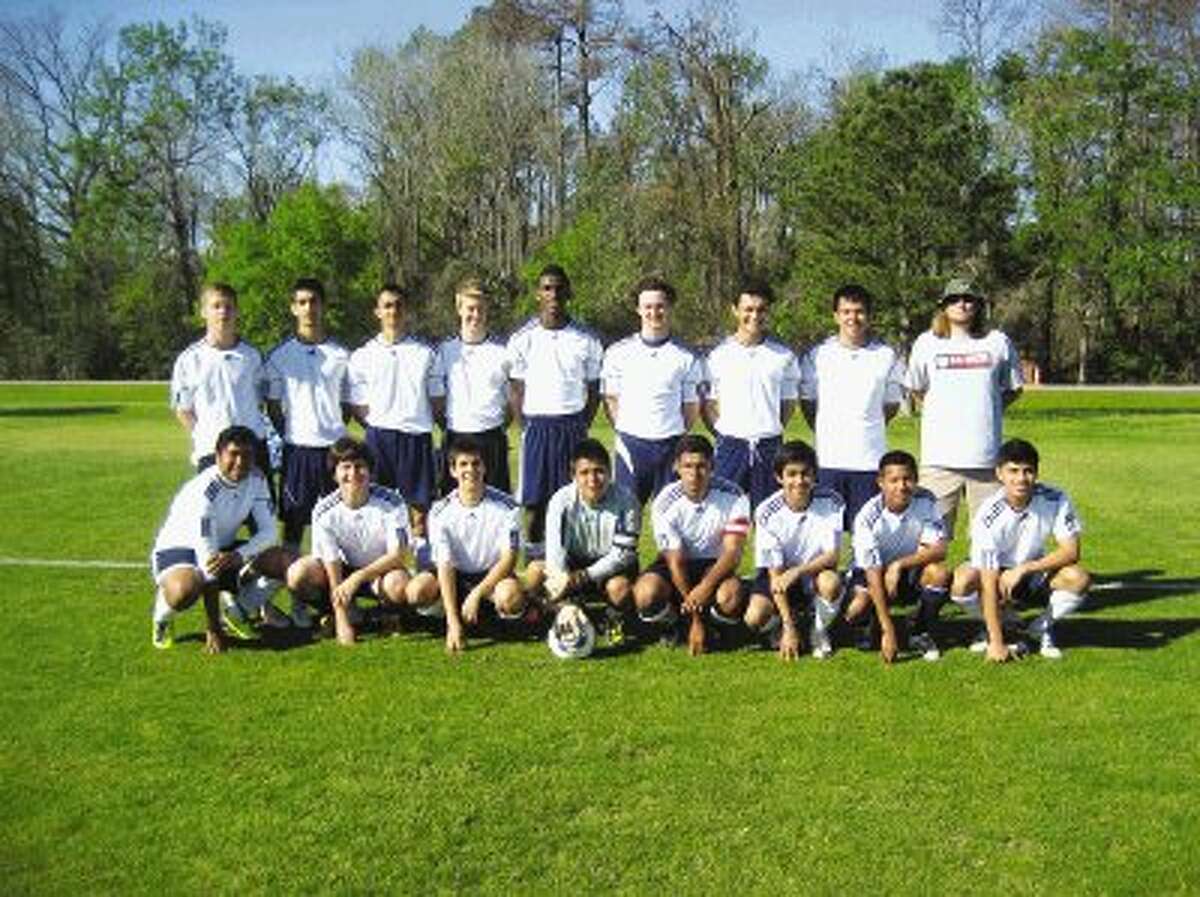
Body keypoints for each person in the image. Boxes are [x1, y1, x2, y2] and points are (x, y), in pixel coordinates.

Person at [149, 426, 294, 653]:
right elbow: (209, 564)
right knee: (184, 591)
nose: (240, 462)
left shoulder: (257, 479)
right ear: (218, 456)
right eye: (233, 454)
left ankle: (237, 613)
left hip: (223, 547)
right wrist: (213, 629)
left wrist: (239, 555)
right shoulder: (204, 492)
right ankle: (162, 616)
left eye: (246, 455)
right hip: (179, 549)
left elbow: (269, 532)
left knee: (286, 561)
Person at [949, 438, 1090, 662]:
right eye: (1013, 471)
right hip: (994, 572)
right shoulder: (988, 514)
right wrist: (997, 644)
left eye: (1028, 471)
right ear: (999, 474)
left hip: (1031, 571)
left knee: (1078, 578)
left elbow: (1071, 551)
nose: (1021, 479)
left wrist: (1024, 568)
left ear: (1037, 472)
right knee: (961, 582)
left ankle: (1038, 629)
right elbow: (987, 579)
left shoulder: (1056, 498)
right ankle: (996, 628)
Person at [285, 437, 436, 644]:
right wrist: (341, 619)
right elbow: (330, 561)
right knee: (298, 574)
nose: (353, 474)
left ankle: (387, 614)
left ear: (370, 471)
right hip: (343, 572)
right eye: (345, 467)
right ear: (334, 474)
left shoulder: (392, 502)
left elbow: (399, 555)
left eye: (360, 466)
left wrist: (359, 577)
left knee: (398, 584)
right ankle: (340, 612)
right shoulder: (323, 510)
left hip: (382, 571)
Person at [906, 277, 1023, 536]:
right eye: (954, 299)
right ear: (944, 307)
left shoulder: (997, 341)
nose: (962, 304)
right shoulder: (926, 343)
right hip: (939, 461)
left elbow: (1014, 388)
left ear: (979, 305)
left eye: (968, 299)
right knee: (931, 541)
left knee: (990, 541)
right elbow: (916, 388)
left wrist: (989, 409)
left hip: (986, 462)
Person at [506, 265, 603, 558]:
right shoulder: (522, 339)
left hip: (572, 427)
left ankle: (572, 571)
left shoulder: (586, 339)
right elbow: (516, 388)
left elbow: (594, 389)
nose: (554, 294)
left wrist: (581, 423)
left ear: (569, 292)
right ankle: (535, 568)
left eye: (559, 288)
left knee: (576, 502)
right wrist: (525, 425)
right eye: (547, 288)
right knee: (534, 504)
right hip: (537, 428)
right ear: (538, 294)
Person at [799, 283, 906, 528]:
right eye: (846, 311)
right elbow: (808, 402)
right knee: (826, 534)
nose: (852, 318)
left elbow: (890, 405)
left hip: (869, 460)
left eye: (859, 311)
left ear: (869, 316)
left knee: (866, 532)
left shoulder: (886, 356)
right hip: (829, 460)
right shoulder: (818, 356)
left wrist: (868, 424)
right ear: (835, 315)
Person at [633, 434, 751, 657]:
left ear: (712, 466)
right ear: (676, 466)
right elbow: (675, 561)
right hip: (678, 564)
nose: (694, 474)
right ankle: (677, 624)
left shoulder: (735, 496)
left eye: (701, 466)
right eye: (687, 466)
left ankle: (715, 627)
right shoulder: (664, 501)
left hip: (715, 565)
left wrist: (705, 587)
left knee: (731, 596)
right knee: (645, 593)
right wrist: (693, 619)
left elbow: (733, 552)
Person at [407, 438, 527, 654]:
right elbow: (444, 565)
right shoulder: (439, 511)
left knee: (511, 597)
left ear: (484, 467)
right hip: (456, 575)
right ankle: (448, 615)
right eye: (463, 464)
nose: (470, 469)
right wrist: (453, 624)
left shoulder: (508, 507)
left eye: (476, 463)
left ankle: (493, 616)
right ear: (453, 470)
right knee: (416, 591)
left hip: (491, 576)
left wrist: (478, 593)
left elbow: (509, 558)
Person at [265, 278, 354, 563]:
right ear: (293, 308)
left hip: (334, 452)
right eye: (302, 302)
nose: (308, 308)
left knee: (336, 524)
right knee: (293, 527)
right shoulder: (279, 356)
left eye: (314, 301)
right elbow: (274, 406)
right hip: (298, 452)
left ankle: (334, 597)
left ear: (323, 306)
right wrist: (291, 432)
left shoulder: (342, 355)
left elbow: (347, 403)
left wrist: (334, 429)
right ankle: (298, 604)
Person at [349, 283, 445, 537]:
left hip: (416, 438)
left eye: (398, 305)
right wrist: (377, 426)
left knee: (420, 515)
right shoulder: (362, 355)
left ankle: (421, 570)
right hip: (379, 438)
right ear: (377, 312)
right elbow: (358, 406)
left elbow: (437, 402)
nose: (393, 311)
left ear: (407, 311)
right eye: (387, 306)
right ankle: (380, 571)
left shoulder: (426, 353)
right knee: (377, 511)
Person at [601, 276, 704, 506]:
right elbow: (611, 400)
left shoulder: (686, 356)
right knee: (626, 516)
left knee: (670, 517)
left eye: (660, 306)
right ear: (638, 309)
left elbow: (691, 408)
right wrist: (630, 430)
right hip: (631, 445)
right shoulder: (618, 353)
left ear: (669, 308)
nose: (654, 312)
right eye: (648, 306)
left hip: (671, 447)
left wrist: (670, 432)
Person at [525, 439, 641, 643]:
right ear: (573, 476)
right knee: (535, 571)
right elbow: (555, 551)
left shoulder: (628, 501)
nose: (593, 479)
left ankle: (613, 621)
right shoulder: (560, 501)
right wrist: (562, 586)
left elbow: (622, 555)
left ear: (610, 472)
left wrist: (580, 578)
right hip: (574, 561)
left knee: (619, 588)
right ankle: (548, 616)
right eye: (584, 472)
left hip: (612, 565)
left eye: (599, 471)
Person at [701, 278, 800, 509]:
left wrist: (767, 427)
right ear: (735, 310)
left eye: (761, 310)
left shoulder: (783, 356)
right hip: (730, 447)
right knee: (722, 517)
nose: (755, 316)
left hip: (770, 447)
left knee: (769, 518)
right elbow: (709, 405)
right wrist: (727, 433)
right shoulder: (717, 356)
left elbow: (787, 404)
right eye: (748, 309)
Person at [846, 450, 950, 664]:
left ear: (916, 480)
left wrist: (898, 565)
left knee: (938, 574)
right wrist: (889, 630)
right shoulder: (867, 517)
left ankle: (920, 630)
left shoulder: (926, 499)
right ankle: (868, 624)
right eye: (893, 480)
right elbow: (872, 573)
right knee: (856, 608)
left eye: (907, 479)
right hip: (871, 571)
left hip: (905, 568)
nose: (902, 486)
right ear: (880, 482)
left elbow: (940, 549)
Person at [745, 440, 844, 661]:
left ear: (815, 475)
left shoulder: (832, 501)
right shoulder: (765, 512)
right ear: (779, 477)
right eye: (791, 474)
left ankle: (818, 630)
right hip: (779, 575)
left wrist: (798, 571)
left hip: (814, 572)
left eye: (805, 473)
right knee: (754, 617)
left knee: (831, 583)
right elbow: (775, 575)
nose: (799, 481)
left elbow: (832, 555)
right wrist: (789, 628)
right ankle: (782, 624)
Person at [169, 282, 270, 473]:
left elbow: (261, 401)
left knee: (260, 503)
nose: (223, 312)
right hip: (211, 451)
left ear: (236, 312)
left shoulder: (253, 356)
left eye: (228, 307)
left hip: (252, 449)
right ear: (203, 312)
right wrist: (206, 435)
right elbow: (184, 410)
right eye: (216, 306)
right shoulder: (189, 359)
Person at [436, 277, 513, 493]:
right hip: (455, 437)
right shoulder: (443, 351)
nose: (475, 315)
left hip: (491, 439)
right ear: (459, 308)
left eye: (481, 309)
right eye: (470, 309)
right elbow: (438, 403)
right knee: (453, 505)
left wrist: (491, 425)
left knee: (497, 506)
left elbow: (510, 404)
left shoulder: (502, 353)